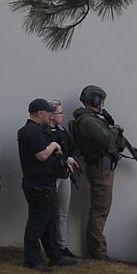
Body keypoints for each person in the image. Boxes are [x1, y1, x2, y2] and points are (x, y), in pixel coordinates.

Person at [17, 98, 78, 272]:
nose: (51, 115)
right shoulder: (32, 131)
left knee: (49, 220)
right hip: (38, 183)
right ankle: (32, 259)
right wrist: (53, 145)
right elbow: (41, 156)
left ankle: (55, 256)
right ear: (40, 113)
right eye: (48, 112)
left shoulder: (38, 130)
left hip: (45, 182)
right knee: (37, 222)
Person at [69, 84, 126, 262]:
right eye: (101, 100)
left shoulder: (92, 119)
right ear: (94, 100)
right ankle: (98, 251)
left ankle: (97, 248)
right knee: (100, 209)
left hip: (103, 168)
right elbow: (108, 140)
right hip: (100, 169)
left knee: (101, 208)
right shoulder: (89, 121)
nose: (102, 104)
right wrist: (116, 128)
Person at [47, 99, 80, 258]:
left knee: (63, 213)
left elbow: (73, 147)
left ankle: (62, 245)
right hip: (52, 175)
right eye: (59, 113)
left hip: (65, 174)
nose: (62, 115)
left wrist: (71, 158)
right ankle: (52, 246)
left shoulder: (61, 129)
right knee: (51, 213)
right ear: (51, 115)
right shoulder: (44, 131)